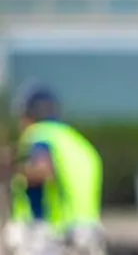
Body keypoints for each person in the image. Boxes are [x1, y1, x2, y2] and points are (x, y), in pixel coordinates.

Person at [3, 83, 105, 255]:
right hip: (88, 231)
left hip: (55, 234)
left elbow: (43, 170)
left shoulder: (39, 134)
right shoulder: (75, 141)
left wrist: (12, 170)